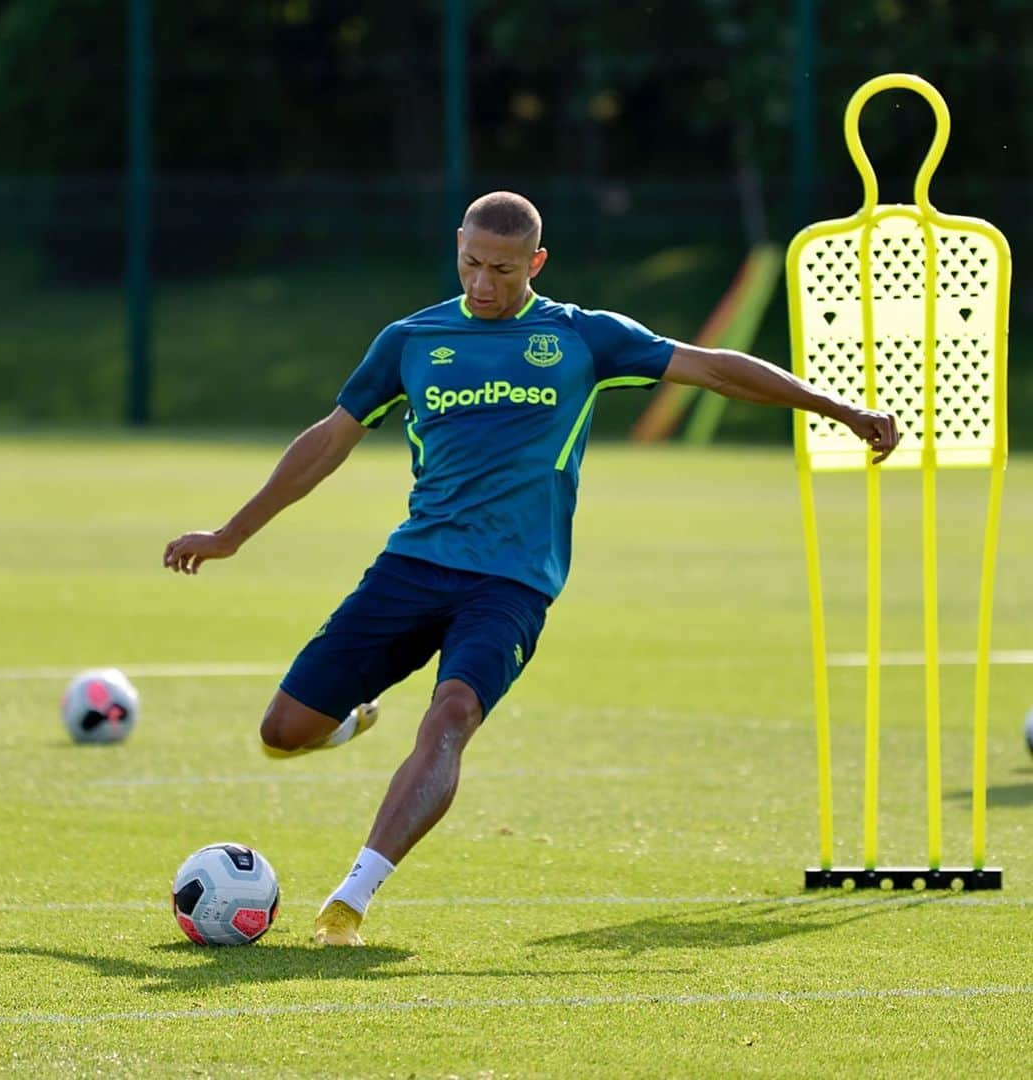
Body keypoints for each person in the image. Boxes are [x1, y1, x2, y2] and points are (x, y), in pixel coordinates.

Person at [163, 191, 899, 946]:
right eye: (472, 264)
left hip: (512, 583)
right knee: (283, 733)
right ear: (458, 248)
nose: (484, 284)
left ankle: (352, 898)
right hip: (413, 567)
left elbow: (713, 368)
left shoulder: (583, 338)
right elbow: (327, 440)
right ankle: (348, 719)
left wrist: (839, 409)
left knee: (450, 717)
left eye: (503, 270)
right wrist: (231, 533)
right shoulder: (411, 340)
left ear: (535, 264)